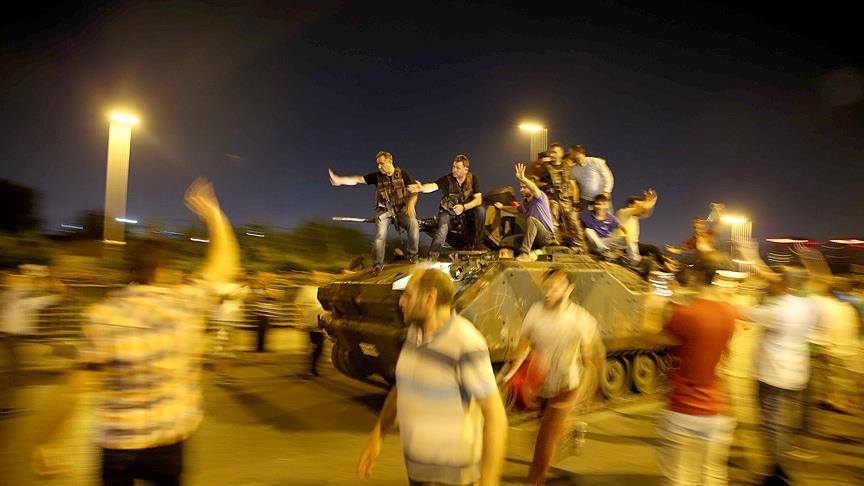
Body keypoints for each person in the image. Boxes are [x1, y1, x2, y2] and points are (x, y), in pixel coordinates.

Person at [32, 178, 240, 485]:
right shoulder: (185, 304)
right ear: (163, 270)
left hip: (118, 445)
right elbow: (225, 265)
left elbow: (76, 387)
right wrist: (213, 215)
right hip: (169, 442)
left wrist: (47, 440)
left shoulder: (103, 315)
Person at [357, 268, 508, 486]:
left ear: (429, 298)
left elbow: (496, 419)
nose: (401, 302)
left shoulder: (466, 343)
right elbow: (402, 388)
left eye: (408, 295)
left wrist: (489, 482)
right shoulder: (414, 335)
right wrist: (377, 436)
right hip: (417, 475)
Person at [498, 268, 604, 485]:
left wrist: (582, 396)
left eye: (556, 287)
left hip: (567, 387)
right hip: (541, 384)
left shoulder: (579, 319)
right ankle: (571, 428)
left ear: (569, 289)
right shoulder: (535, 313)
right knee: (538, 433)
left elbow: (593, 360)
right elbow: (522, 347)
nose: (549, 292)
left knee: (544, 439)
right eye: (547, 287)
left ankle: (534, 481)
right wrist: (508, 375)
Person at [651, 259, 739, 486]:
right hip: (716, 408)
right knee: (712, 476)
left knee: (677, 479)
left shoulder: (685, 314)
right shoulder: (729, 312)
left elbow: (654, 339)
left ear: (697, 275)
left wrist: (657, 306)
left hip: (682, 408)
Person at [740, 266, 818, 485]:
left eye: (776, 279)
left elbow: (746, 313)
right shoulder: (809, 306)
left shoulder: (779, 309)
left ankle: (780, 472)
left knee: (771, 425)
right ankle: (777, 468)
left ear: (783, 283)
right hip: (797, 373)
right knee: (782, 424)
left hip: (773, 375)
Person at [329, 151, 420, 274]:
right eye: (377, 164)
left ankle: (413, 256)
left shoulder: (403, 174)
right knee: (380, 236)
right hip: (383, 210)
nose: (379, 166)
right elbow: (357, 179)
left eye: (381, 163)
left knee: (413, 224)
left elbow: (415, 191)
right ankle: (377, 265)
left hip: (400, 209)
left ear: (390, 161)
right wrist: (339, 180)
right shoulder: (376, 177)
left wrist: (411, 204)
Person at [0, 265, 64, 415]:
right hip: (11, 335)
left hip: (10, 335)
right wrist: (58, 293)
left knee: (14, 371)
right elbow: (39, 301)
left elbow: (35, 295)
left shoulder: (15, 292)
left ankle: (6, 404)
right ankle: (5, 405)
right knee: (14, 372)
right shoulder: (20, 293)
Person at [408, 154, 486, 259]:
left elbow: (478, 200)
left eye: (457, 168)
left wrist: (463, 207)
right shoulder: (447, 179)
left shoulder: (473, 179)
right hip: (448, 212)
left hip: (464, 210)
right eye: (453, 167)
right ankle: (432, 257)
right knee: (442, 230)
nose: (454, 170)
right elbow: (434, 186)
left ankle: (478, 244)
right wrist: (421, 188)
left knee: (480, 210)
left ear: (465, 170)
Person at [495, 163, 556, 262]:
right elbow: (516, 209)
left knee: (531, 220)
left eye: (524, 187)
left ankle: (525, 254)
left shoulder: (540, 197)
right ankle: (537, 252)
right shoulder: (524, 202)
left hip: (546, 237)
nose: (521, 190)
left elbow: (534, 189)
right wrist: (502, 207)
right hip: (534, 239)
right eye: (520, 187)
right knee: (506, 242)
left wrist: (523, 178)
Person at [616, 190, 677, 272]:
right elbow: (643, 208)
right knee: (653, 248)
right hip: (624, 245)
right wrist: (652, 200)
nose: (639, 207)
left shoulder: (634, 216)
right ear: (630, 205)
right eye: (638, 205)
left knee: (652, 252)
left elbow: (647, 212)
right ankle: (666, 266)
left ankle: (666, 264)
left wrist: (649, 201)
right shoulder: (623, 212)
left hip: (633, 245)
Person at [539, 144, 585, 250]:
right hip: (552, 199)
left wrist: (576, 201)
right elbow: (536, 182)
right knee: (553, 213)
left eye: (554, 152)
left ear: (561, 153)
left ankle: (578, 246)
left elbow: (573, 185)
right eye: (550, 152)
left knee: (573, 220)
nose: (551, 155)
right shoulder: (545, 167)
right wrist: (546, 186)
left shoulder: (567, 167)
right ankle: (554, 242)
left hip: (566, 199)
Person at [580, 194, 638, 266]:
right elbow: (573, 215)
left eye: (602, 204)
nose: (600, 207)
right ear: (594, 205)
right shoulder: (586, 215)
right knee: (588, 231)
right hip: (593, 244)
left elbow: (623, 228)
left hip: (605, 242)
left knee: (627, 239)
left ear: (606, 206)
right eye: (597, 204)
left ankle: (634, 262)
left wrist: (628, 236)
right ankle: (604, 252)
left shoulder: (611, 218)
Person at [569, 145, 614, 211]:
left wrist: (606, 192)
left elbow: (608, 176)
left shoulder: (595, 161)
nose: (570, 156)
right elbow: (573, 184)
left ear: (577, 153)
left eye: (571, 153)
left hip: (601, 198)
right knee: (584, 216)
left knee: (605, 216)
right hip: (585, 200)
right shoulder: (574, 169)